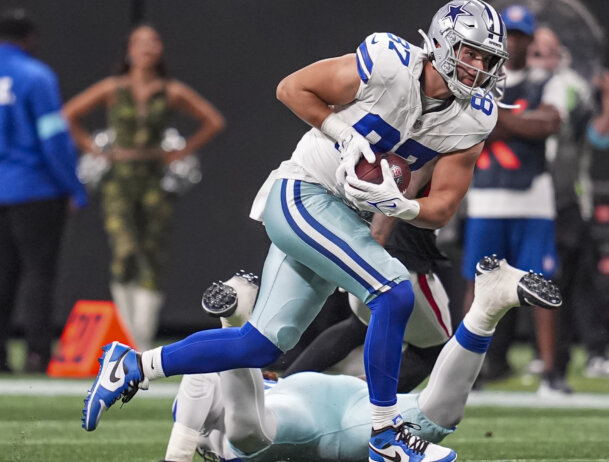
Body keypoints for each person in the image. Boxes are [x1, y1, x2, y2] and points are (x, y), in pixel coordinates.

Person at [83, 2, 509, 460]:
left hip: (345, 216)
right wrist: (342, 133)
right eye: (471, 53)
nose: (479, 67)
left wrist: (403, 206)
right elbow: (292, 87)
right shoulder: (391, 63)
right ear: (442, 44)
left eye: (488, 59)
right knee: (394, 292)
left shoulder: (474, 117)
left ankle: (131, 364)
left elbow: (442, 207)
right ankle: (385, 435)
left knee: (258, 345)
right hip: (304, 192)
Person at [161, 255, 560, 462]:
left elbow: (200, 378)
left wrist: (180, 447)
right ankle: (487, 307)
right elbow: (203, 378)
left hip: (294, 410)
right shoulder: (219, 415)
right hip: (339, 408)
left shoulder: (216, 424)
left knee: (248, 436)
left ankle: (236, 321)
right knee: (436, 420)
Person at [63, 24, 225, 351]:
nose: (148, 48)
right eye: (141, 42)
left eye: (154, 42)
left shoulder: (170, 91)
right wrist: (92, 148)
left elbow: (213, 120)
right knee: (124, 251)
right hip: (119, 178)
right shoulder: (113, 88)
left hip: (154, 178)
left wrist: (182, 151)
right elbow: (69, 114)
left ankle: (143, 337)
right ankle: (128, 334)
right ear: (129, 50)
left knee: (153, 253)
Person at [459, 5, 563, 393]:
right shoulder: (480, 79)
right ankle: (465, 373)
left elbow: (549, 123)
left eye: (521, 35)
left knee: (542, 282)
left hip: (533, 198)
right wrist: (523, 122)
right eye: (510, 35)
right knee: (475, 286)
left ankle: (551, 372)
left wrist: (498, 121)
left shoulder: (546, 81)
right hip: (486, 196)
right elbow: (467, 128)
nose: (515, 42)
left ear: (531, 39)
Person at [527, 26, 609, 382]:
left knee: (579, 279)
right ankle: (534, 354)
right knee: (530, 279)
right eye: (535, 50)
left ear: (561, 53)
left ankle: (594, 351)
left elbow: (600, 134)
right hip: (525, 199)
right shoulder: (512, 82)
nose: (540, 56)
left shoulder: (569, 86)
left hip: (568, 200)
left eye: (548, 49)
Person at [0, 8, 87, 373]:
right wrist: (73, 186)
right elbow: (53, 140)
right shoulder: (36, 76)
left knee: (2, 274)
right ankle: (37, 354)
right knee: (38, 273)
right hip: (35, 189)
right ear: (29, 39)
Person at [284, 210, 453, 393]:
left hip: (363, 255)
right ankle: (366, 400)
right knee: (434, 349)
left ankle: (284, 384)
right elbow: (411, 202)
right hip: (400, 264)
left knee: (358, 326)